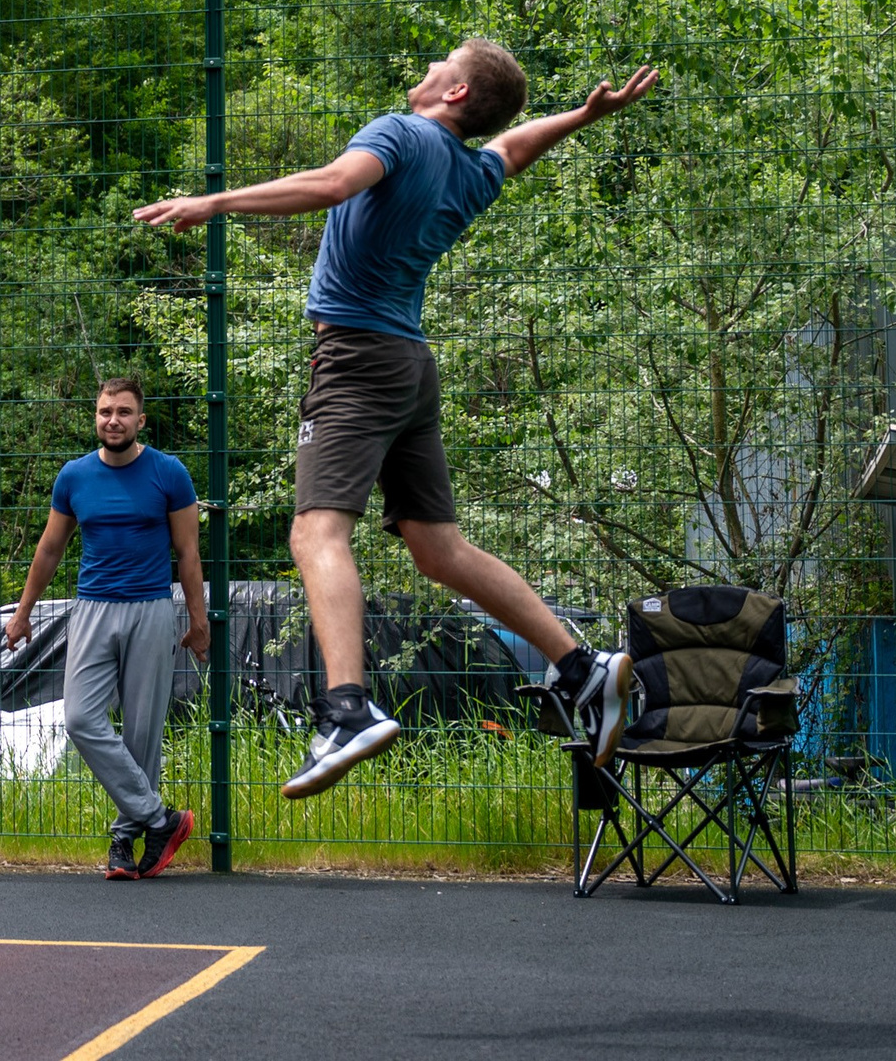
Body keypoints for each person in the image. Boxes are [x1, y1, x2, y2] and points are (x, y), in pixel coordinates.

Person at [133, 40, 657, 798]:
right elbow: (513, 143)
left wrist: (216, 201)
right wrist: (582, 113)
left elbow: (336, 182)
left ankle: (346, 709)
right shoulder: (470, 173)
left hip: (355, 359)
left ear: (455, 92)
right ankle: (581, 666)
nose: (428, 65)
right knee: (439, 549)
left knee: (316, 532)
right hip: (410, 365)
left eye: (444, 61)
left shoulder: (399, 131)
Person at [3, 376, 211, 879]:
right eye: (104, 412)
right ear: (95, 418)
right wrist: (23, 611)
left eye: (122, 412)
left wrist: (198, 620)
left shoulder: (169, 473)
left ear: (141, 420)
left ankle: (124, 842)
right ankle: (159, 819)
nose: (111, 420)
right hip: (92, 609)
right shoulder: (74, 477)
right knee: (80, 720)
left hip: (151, 610)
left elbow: (188, 552)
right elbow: (50, 549)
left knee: (142, 734)